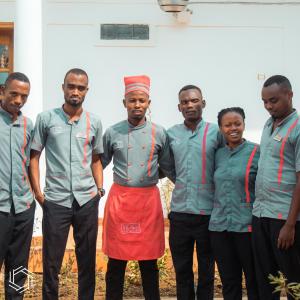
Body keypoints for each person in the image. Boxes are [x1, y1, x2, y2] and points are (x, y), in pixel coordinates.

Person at [30, 68, 104, 300]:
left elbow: (96, 159)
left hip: (86, 199)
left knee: (87, 259)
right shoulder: (46, 119)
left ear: (86, 91)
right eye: (71, 86)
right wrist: (39, 194)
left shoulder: (95, 122)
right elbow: (34, 157)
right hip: (56, 200)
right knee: (51, 262)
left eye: (80, 88)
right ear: (62, 87)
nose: (75, 91)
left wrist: (99, 190)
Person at [101, 75, 171, 300]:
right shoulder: (112, 132)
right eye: (132, 100)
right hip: (120, 200)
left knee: (149, 262)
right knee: (116, 261)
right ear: (124, 103)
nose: (137, 105)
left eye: (142, 100)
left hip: (147, 202)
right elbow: (99, 162)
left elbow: (167, 166)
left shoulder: (159, 133)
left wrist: (148, 176)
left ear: (149, 103)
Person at [167, 84, 223, 300]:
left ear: (203, 103)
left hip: (208, 214)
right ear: (179, 107)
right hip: (180, 212)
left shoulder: (216, 132)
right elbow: (169, 166)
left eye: (194, 100)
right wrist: (183, 181)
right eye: (185, 102)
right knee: (182, 272)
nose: (190, 105)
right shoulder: (172, 134)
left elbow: (223, 163)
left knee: (207, 272)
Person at [252, 75, 300, 299]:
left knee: (293, 280)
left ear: (289, 95)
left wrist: (290, 225)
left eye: (274, 100)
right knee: (266, 280)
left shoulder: (298, 129)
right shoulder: (268, 124)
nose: (268, 106)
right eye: (264, 102)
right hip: (261, 214)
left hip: (285, 219)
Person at [209, 107, 260, 300]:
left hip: (247, 227)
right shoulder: (217, 155)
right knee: (229, 282)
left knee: (254, 279)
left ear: (244, 124)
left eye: (237, 123)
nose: (233, 128)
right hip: (219, 228)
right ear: (221, 128)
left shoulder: (257, 152)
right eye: (227, 125)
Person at [0, 72, 35, 299]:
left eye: (24, 96)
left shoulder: (27, 125)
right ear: (2, 91)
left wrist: (35, 195)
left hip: (23, 206)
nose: (18, 100)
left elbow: (30, 160)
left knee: (18, 267)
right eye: (14, 94)